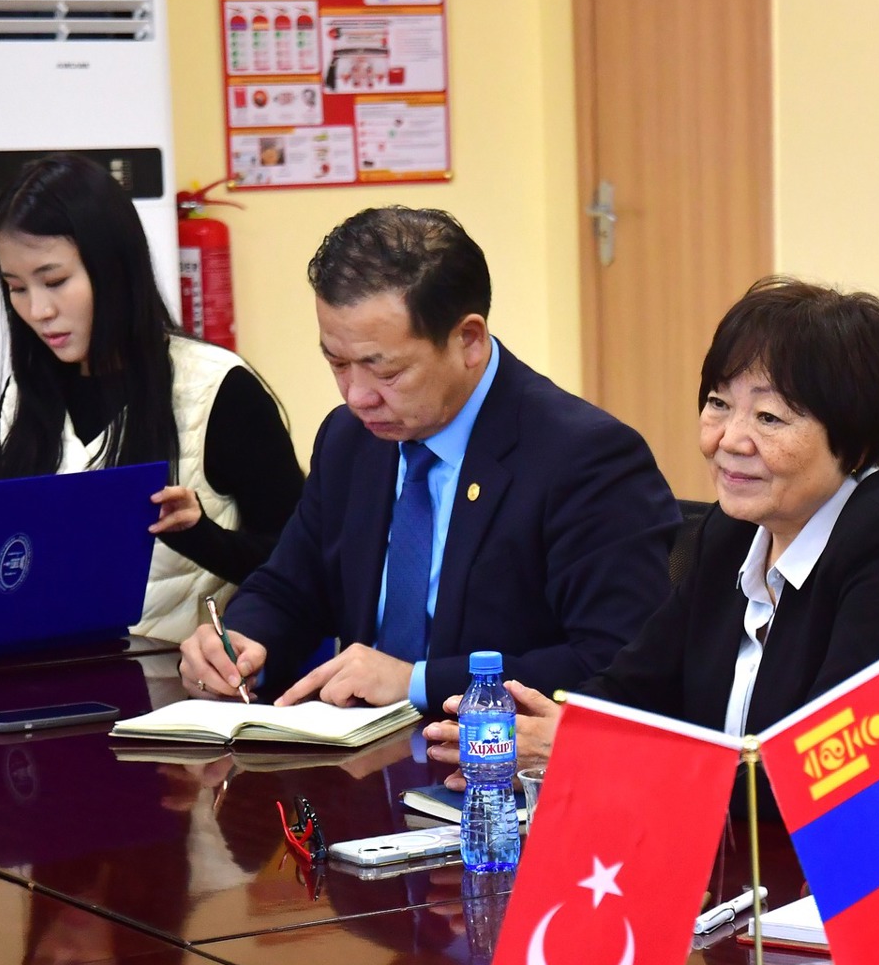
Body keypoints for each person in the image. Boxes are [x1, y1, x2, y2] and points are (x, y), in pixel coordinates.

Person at [423, 277, 879, 810]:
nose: (729, 440)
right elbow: (636, 685)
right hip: (729, 858)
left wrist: (589, 757)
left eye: (769, 417)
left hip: (853, 868)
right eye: (719, 403)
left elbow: (819, 779)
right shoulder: (736, 531)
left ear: (856, 441)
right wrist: (554, 730)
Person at [179, 206, 678, 710]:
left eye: (386, 372)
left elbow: (616, 662)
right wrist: (241, 642)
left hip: (493, 751)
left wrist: (416, 682)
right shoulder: (350, 440)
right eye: (338, 363)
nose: (357, 396)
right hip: (357, 746)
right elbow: (291, 586)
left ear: (469, 341)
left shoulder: (585, 458)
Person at [0, 154, 304, 643]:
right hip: (43, 673)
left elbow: (301, 571)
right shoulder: (24, 396)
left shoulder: (217, 389)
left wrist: (201, 536)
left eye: (55, 281)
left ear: (113, 269)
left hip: (177, 681)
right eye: (16, 288)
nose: (38, 310)